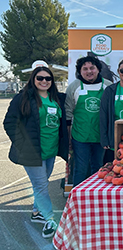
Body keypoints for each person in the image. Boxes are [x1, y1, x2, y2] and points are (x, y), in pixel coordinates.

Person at [3, 66, 68, 238]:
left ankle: (36, 212)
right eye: (40, 78)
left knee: (42, 183)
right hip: (32, 152)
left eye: (48, 78)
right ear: (33, 79)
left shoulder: (57, 98)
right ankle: (49, 219)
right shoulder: (23, 98)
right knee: (40, 186)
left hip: (50, 150)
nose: (44, 81)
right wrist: (21, 143)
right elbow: (9, 122)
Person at [65, 55, 112, 186]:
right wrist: (68, 138)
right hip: (80, 137)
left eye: (92, 68)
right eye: (84, 69)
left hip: (101, 137)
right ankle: (78, 198)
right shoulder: (74, 87)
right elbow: (68, 114)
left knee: (99, 168)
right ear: (80, 71)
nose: (89, 71)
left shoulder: (108, 86)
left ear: (98, 69)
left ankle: (95, 197)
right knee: (80, 168)